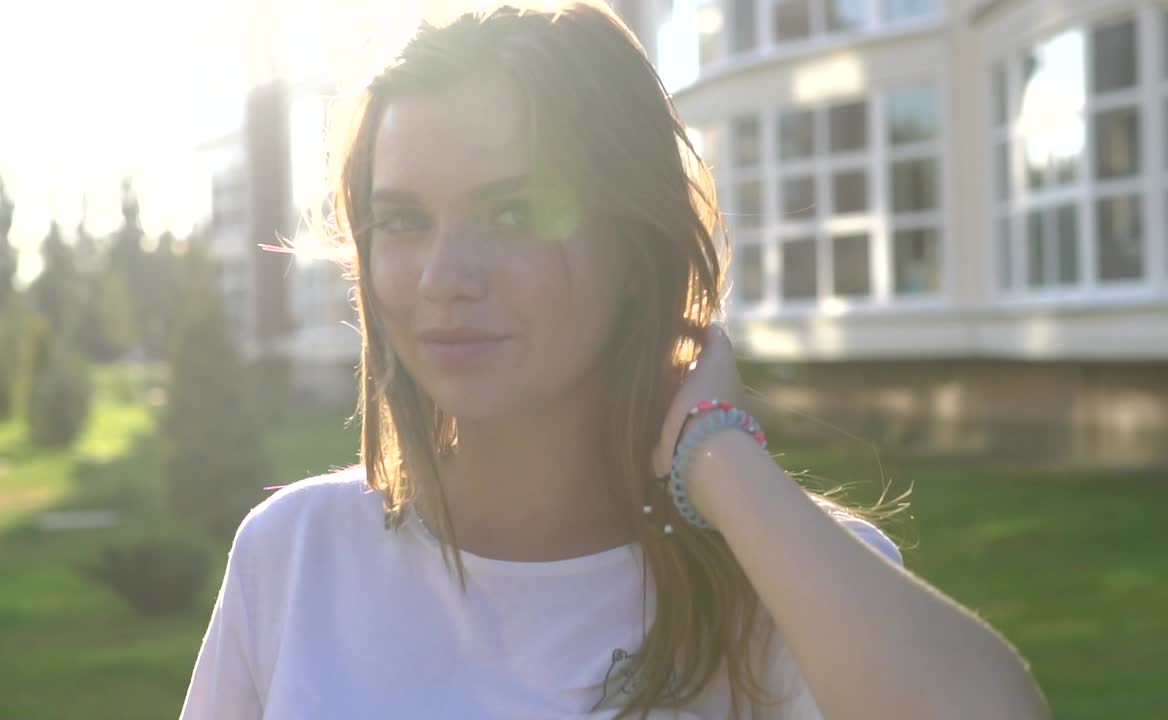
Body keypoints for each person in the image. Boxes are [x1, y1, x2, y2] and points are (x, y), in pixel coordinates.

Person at [180, 2, 1050, 718]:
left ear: (636, 250)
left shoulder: (790, 586)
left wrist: (719, 453)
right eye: (404, 220)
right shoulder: (293, 559)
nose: (445, 279)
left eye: (516, 210)